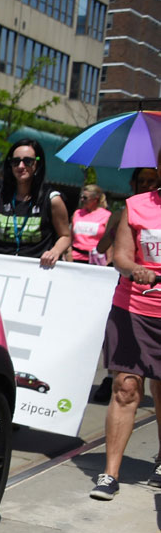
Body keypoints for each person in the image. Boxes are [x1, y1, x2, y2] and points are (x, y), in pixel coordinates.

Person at [92, 148, 161, 500]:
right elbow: (119, 255)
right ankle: (110, 473)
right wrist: (135, 268)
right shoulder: (136, 206)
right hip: (133, 308)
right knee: (126, 386)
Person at [0, 138, 71, 267]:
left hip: (37, 271)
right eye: (16, 161)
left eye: (27, 161)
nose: (21, 166)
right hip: (2, 269)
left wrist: (54, 251)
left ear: (37, 164)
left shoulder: (52, 200)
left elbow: (65, 236)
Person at [69, 184, 112, 265]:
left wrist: (109, 260)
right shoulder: (77, 213)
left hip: (96, 259)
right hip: (76, 258)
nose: (82, 200)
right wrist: (67, 254)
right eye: (81, 197)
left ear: (95, 199)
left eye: (85, 198)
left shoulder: (106, 215)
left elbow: (109, 240)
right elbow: (70, 237)